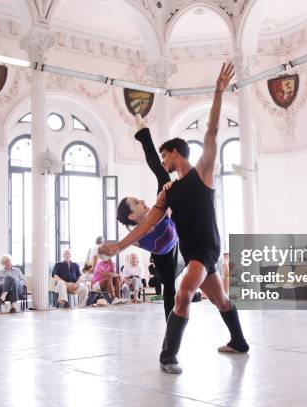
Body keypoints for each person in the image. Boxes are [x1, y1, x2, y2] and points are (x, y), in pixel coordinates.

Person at [102, 63, 248, 374]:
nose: (163, 161)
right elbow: (147, 224)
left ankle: (167, 356)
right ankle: (239, 342)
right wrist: (120, 245)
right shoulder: (167, 191)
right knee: (221, 301)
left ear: (174, 153)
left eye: (165, 155)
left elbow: (211, 131)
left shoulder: (203, 174)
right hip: (194, 252)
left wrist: (219, 92)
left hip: (204, 249)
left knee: (183, 296)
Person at [115, 113, 181, 319]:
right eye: (136, 203)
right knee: (169, 287)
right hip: (165, 259)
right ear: (133, 216)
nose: (142, 201)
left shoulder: (158, 207)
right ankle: (171, 328)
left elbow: (157, 168)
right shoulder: (136, 239)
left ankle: (144, 134)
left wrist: (170, 194)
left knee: (162, 175)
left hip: (181, 247)